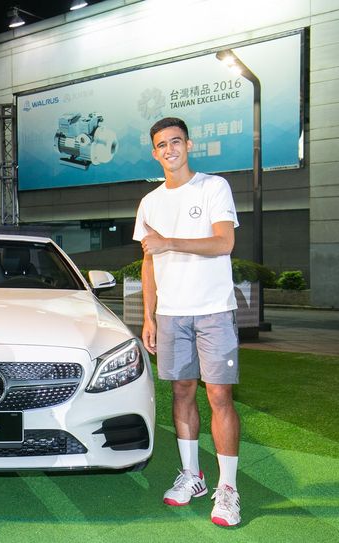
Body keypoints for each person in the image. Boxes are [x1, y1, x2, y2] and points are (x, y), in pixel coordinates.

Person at [133, 117, 241, 527]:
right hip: (171, 314)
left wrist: (170, 242)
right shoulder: (150, 202)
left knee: (219, 396)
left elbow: (224, 242)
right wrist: (149, 316)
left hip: (214, 310)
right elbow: (148, 262)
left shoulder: (213, 187)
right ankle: (192, 475)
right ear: (154, 153)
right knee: (181, 392)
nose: (170, 150)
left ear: (189, 145)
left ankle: (227, 488)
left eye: (176, 142)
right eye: (162, 145)